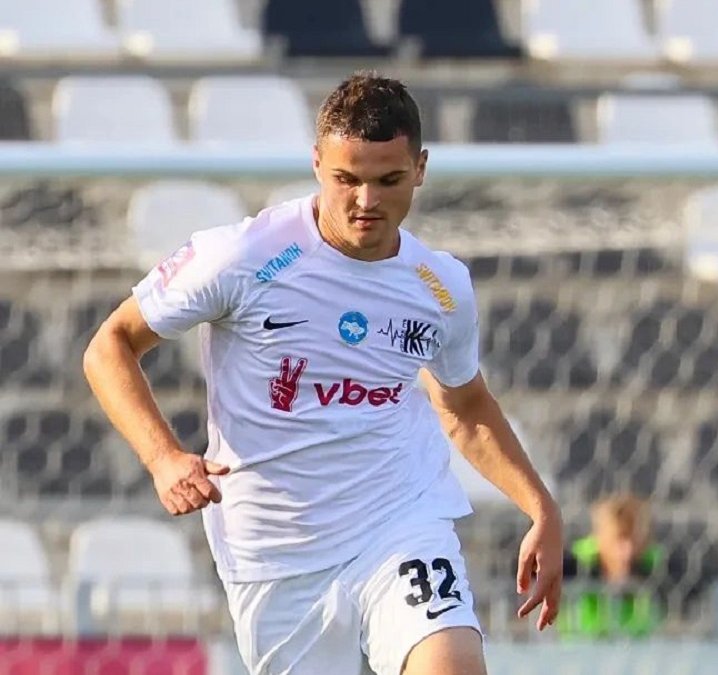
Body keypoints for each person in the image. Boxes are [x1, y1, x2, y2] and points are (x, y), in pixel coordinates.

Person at [82, 71, 563, 675]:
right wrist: (163, 457)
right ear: (317, 163)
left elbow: (464, 408)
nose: (366, 201)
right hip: (276, 549)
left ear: (420, 169)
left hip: (399, 521)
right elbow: (109, 346)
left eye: (388, 180)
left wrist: (540, 507)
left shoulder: (440, 286)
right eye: (347, 179)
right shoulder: (242, 257)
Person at [560, 494, 663, 639]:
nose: (628, 551)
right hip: (579, 647)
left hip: (636, 648)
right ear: (600, 537)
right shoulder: (577, 563)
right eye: (619, 540)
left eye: (634, 541)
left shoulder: (655, 568)